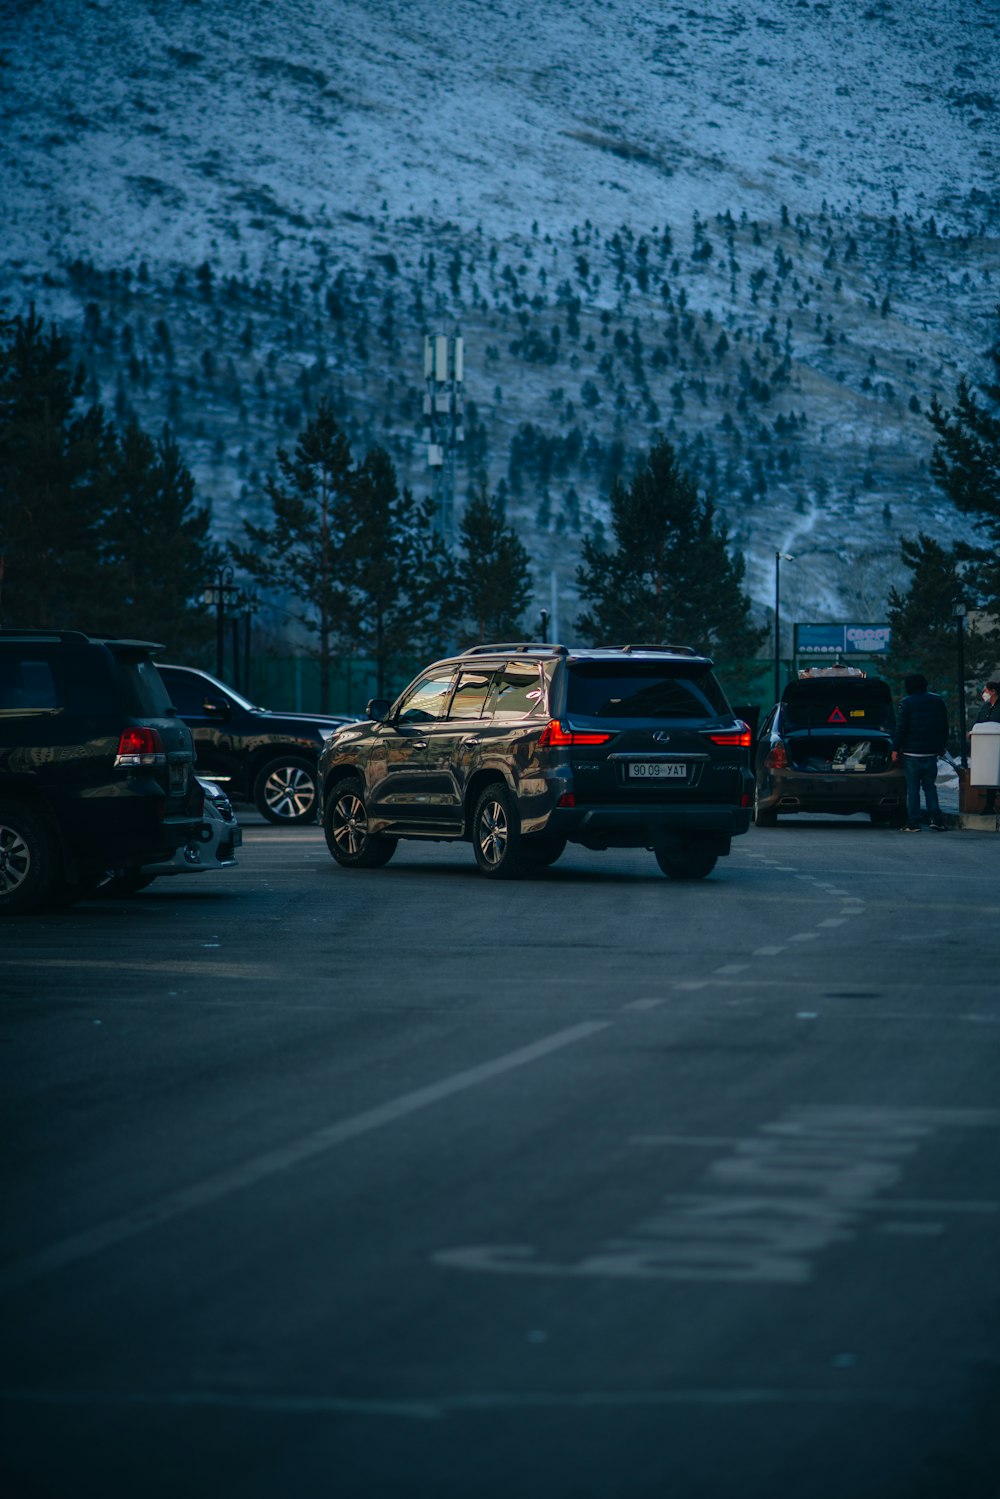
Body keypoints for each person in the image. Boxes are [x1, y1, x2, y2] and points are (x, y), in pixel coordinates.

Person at [892, 672, 949, 831]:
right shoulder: (938, 701)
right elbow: (944, 726)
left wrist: (895, 748)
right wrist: (942, 745)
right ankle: (936, 819)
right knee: (930, 786)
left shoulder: (906, 703)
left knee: (913, 788)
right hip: (931, 752)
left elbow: (901, 728)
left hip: (911, 753)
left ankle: (913, 822)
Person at [972, 679, 1000, 814]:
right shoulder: (985, 707)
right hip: (988, 748)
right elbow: (977, 723)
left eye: (985, 690)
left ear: (993, 691)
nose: (983, 693)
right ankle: (989, 806)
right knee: (991, 775)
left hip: (997, 746)